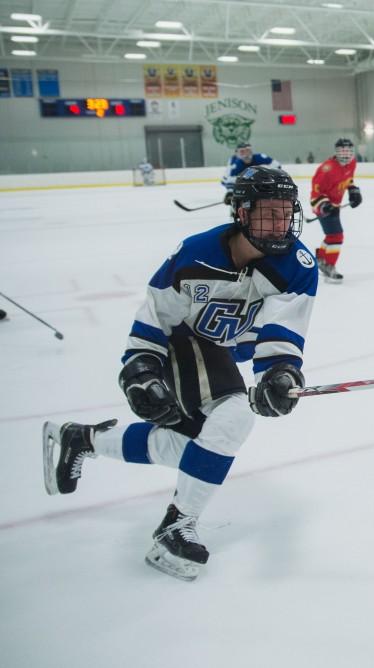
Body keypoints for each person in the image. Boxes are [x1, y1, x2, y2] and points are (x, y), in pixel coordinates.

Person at [41, 166, 317, 581]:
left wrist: (279, 373)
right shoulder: (195, 253)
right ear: (242, 214)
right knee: (234, 415)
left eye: (285, 212)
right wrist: (141, 367)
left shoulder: (297, 264)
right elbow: (157, 315)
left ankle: (81, 439)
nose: (280, 224)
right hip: (180, 342)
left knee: (187, 445)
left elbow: (283, 328)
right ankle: (175, 527)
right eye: (268, 213)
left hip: (219, 351)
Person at [311, 137, 362, 283]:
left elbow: (349, 179)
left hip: (335, 205)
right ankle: (329, 266)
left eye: (348, 150)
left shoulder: (352, 163)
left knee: (331, 236)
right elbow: (315, 193)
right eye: (342, 150)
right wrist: (324, 206)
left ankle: (320, 258)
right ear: (336, 152)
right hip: (323, 206)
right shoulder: (327, 169)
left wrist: (353, 190)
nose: (346, 154)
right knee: (337, 236)